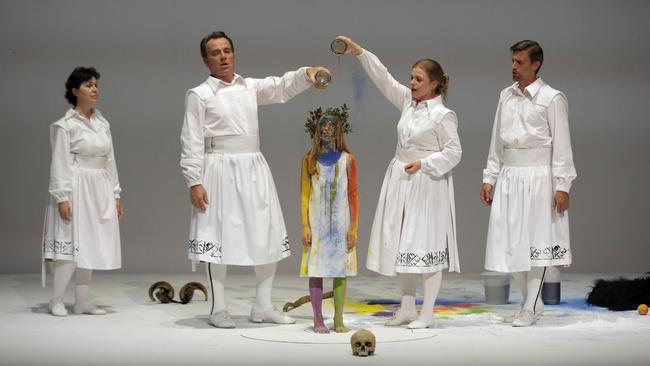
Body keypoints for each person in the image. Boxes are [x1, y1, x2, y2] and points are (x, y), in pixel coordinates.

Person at [180, 31, 330, 328]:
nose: (223, 56)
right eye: (215, 52)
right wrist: (194, 181)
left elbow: (280, 87)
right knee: (216, 236)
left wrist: (307, 74)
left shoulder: (248, 87)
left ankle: (263, 305)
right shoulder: (200, 95)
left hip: (253, 167)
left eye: (227, 50)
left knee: (266, 233)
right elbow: (191, 140)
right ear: (205, 60)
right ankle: (218, 308)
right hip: (218, 169)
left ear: (233, 54)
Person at [337, 36, 461, 329]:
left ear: (434, 84)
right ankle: (407, 307)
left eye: (419, 79)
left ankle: (427, 312)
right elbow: (384, 79)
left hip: (427, 184)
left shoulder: (443, 115)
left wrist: (425, 164)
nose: (413, 83)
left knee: (426, 245)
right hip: (401, 179)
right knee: (406, 243)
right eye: (412, 78)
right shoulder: (408, 102)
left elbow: (454, 152)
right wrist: (361, 53)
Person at [480, 40, 577, 327]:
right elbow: (497, 140)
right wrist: (490, 177)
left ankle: (530, 305)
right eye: (512, 61)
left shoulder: (552, 98)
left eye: (520, 62)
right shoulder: (505, 96)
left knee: (538, 242)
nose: (513, 66)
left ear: (536, 64)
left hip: (538, 177)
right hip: (510, 174)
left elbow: (562, 145)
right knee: (514, 243)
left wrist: (563, 185)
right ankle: (531, 303)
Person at [43, 66, 124, 316]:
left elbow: (110, 160)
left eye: (96, 84)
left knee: (90, 244)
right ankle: (56, 300)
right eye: (89, 85)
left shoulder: (103, 123)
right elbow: (59, 162)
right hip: (77, 186)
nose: (95, 88)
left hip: (99, 185)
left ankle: (82, 301)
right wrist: (62, 197)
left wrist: (116, 193)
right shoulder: (65, 126)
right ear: (75, 91)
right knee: (71, 243)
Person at [299, 107, 358, 333]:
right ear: (316, 130)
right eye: (323, 126)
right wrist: (305, 225)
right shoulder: (309, 161)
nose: (327, 130)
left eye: (332, 126)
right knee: (316, 270)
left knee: (340, 271)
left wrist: (353, 228)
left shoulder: (348, 160)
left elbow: (353, 196)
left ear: (339, 131)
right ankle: (317, 318)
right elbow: (305, 195)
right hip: (317, 225)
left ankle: (339, 318)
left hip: (340, 225)